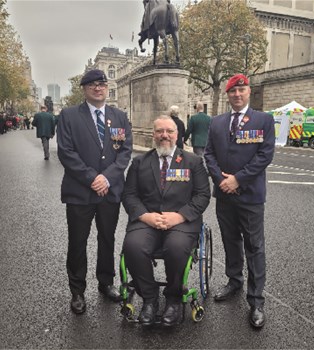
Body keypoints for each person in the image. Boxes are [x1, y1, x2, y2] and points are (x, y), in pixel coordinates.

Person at [57, 69, 132, 315]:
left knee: (107, 238)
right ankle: (77, 291)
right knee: (77, 242)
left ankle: (106, 282)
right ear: (84, 89)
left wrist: (107, 178)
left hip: (109, 191)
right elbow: (66, 152)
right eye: (92, 85)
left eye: (101, 84)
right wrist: (93, 178)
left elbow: (124, 152)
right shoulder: (69, 116)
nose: (97, 88)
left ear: (106, 86)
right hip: (80, 192)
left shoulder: (119, 117)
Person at [122, 115, 210, 327]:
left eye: (169, 131)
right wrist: (146, 216)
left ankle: (173, 298)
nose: (164, 135)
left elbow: (202, 196)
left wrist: (178, 216)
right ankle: (150, 298)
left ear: (177, 135)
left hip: (182, 221)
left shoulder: (193, 162)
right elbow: (130, 195)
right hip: (147, 219)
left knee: (176, 247)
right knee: (132, 246)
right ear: (153, 135)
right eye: (160, 131)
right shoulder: (140, 162)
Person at [204, 74, 275, 328]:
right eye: (233, 91)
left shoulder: (264, 120)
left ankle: (256, 300)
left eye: (241, 90)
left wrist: (238, 180)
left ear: (248, 91)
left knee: (254, 247)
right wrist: (221, 180)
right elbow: (208, 153)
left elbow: (265, 155)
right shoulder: (217, 122)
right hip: (224, 194)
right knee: (230, 240)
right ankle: (234, 281)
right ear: (228, 94)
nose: (237, 94)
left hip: (250, 195)